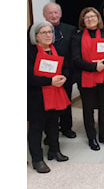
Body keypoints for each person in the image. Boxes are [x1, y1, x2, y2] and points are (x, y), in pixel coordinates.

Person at [72, 7, 104, 150]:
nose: (90, 19)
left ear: (98, 19)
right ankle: (91, 137)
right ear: (83, 21)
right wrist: (93, 67)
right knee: (88, 108)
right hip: (86, 76)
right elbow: (75, 59)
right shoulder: (77, 37)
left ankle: (103, 135)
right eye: (87, 18)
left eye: (93, 17)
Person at [28, 21, 70, 173]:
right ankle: (37, 160)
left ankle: (54, 150)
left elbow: (65, 66)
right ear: (35, 36)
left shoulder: (56, 49)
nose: (48, 35)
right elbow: (28, 76)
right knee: (36, 128)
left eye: (50, 32)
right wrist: (49, 81)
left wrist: (64, 76)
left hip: (55, 93)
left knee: (53, 124)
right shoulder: (29, 52)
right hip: (36, 96)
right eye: (44, 32)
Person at [42, 3, 77, 139]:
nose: (53, 15)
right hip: (45, 77)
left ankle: (66, 127)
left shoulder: (70, 29)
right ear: (44, 15)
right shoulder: (38, 30)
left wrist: (68, 74)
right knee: (48, 106)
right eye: (50, 13)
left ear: (61, 14)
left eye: (56, 12)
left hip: (65, 73)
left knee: (66, 103)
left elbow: (74, 53)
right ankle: (50, 133)